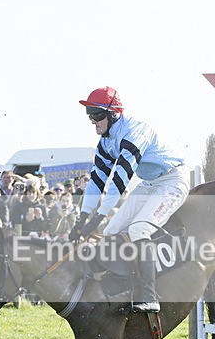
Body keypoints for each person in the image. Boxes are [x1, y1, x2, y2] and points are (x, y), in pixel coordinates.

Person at [70, 86, 190, 313]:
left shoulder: (135, 132)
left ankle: (150, 297)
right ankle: (124, 288)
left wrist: (95, 220)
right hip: (150, 183)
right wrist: (82, 219)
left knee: (138, 230)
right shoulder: (106, 142)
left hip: (173, 180)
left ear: (113, 114)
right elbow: (97, 181)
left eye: (97, 115)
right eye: (90, 115)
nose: (92, 120)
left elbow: (119, 180)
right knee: (111, 231)